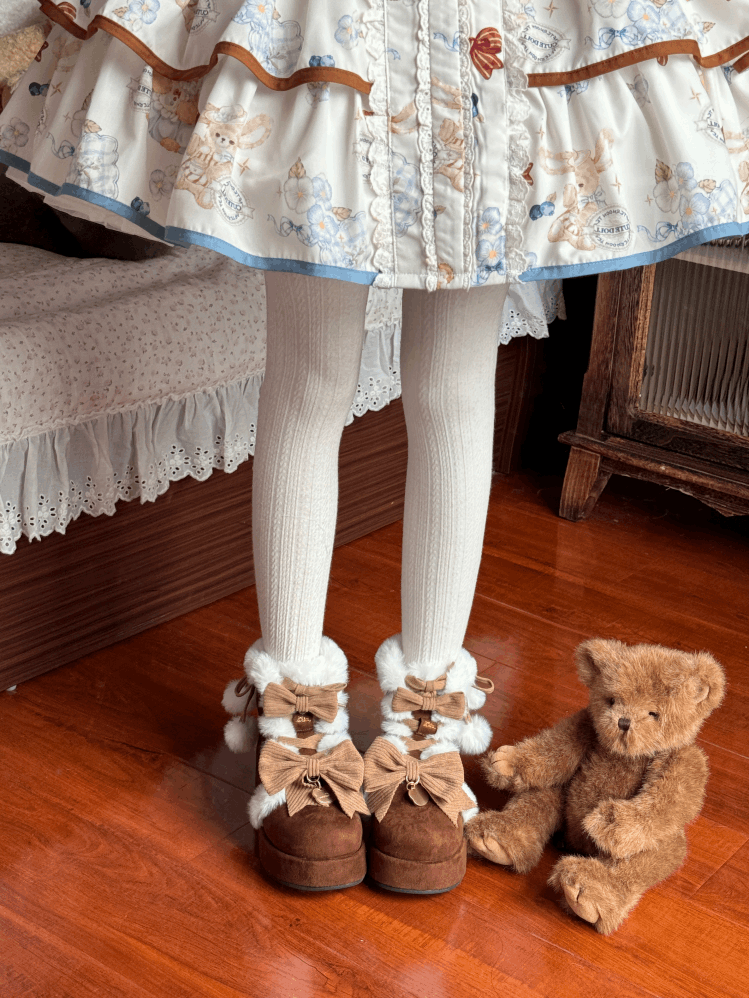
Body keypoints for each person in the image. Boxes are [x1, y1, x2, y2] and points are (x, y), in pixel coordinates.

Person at [2, 0, 748, 894]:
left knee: (455, 385)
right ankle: (297, 721)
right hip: (336, 26)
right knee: (313, 375)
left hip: (492, 39)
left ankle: (425, 720)